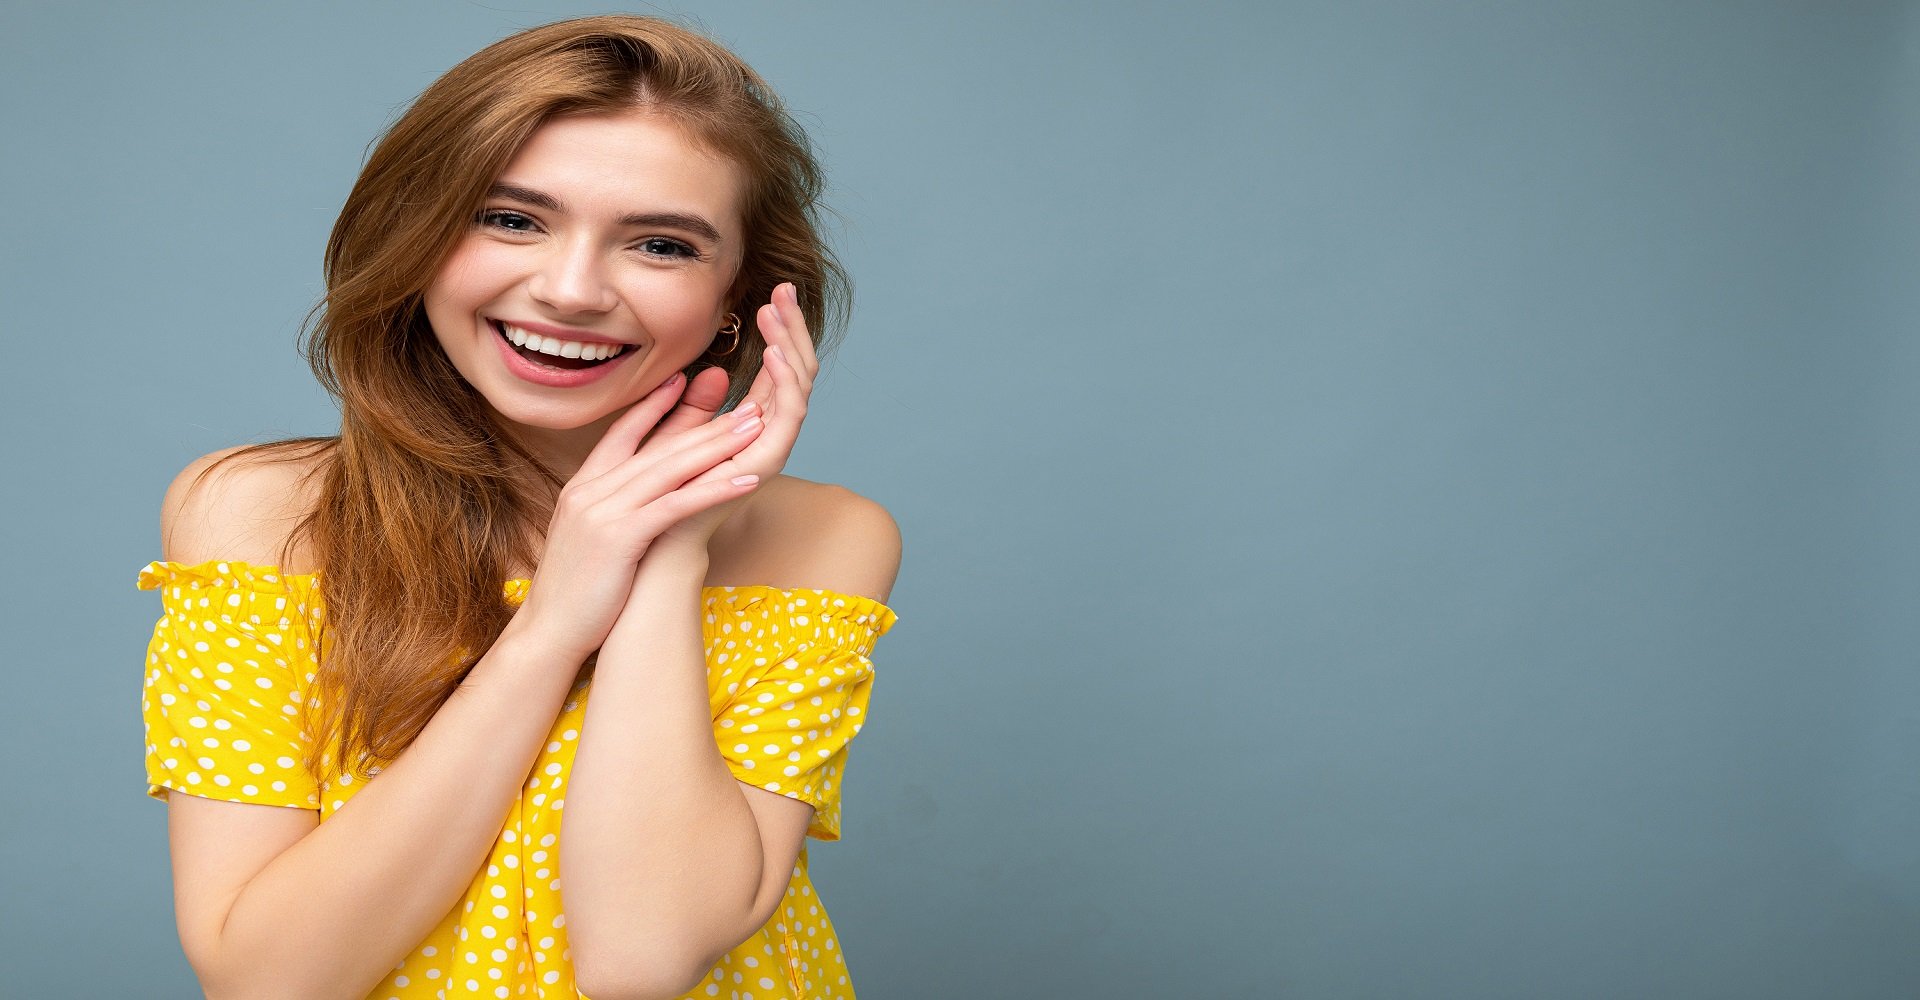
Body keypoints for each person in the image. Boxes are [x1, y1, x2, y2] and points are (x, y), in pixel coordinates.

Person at [135, 15, 902, 1000]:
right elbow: (270, 981)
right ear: (420, 239)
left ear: (734, 298)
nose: (571, 289)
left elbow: (641, 960)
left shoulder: (825, 538)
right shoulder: (257, 513)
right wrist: (551, 625)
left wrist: (669, 554)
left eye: (661, 243)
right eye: (511, 218)